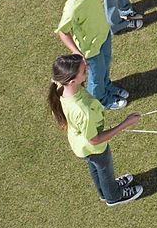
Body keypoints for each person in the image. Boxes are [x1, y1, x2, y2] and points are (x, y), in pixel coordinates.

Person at [49, 54, 143, 205]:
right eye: (83, 71)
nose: (88, 68)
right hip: (93, 146)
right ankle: (113, 196)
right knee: (104, 169)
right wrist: (124, 124)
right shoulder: (83, 111)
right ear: (72, 81)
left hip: (80, 145)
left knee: (96, 166)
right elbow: (95, 139)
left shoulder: (61, 87)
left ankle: (104, 192)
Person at [55, 0, 129, 110]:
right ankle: (101, 100)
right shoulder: (72, 9)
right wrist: (77, 52)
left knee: (106, 65)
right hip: (90, 50)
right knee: (96, 77)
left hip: (104, 35)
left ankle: (107, 86)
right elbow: (63, 32)